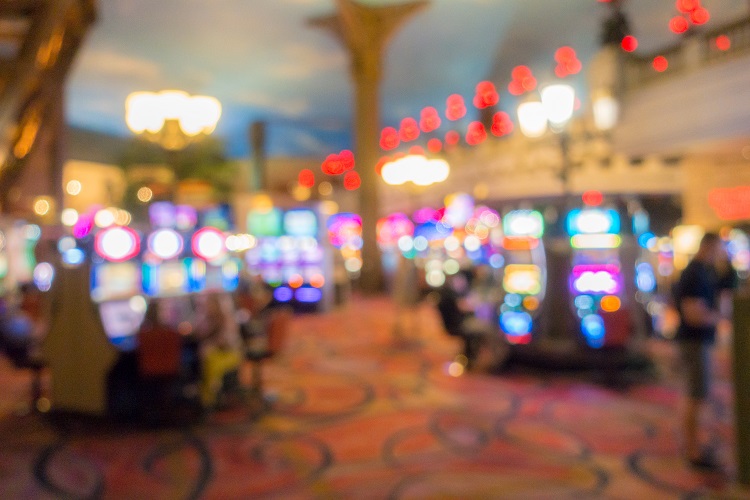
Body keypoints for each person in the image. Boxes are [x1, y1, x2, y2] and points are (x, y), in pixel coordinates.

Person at [674, 232, 728, 469]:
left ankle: (696, 445)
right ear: (708, 246)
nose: (720, 254)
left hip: (699, 342)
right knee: (695, 396)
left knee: (699, 395)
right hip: (694, 341)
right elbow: (693, 315)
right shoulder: (694, 274)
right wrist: (720, 317)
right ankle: (693, 451)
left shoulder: (705, 272)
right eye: (718, 248)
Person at [195, 293, 243, 408]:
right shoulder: (208, 319)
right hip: (215, 354)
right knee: (203, 357)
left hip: (229, 354)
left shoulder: (226, 319)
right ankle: (204, 395)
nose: (207, 306)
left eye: (210, 304)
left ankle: (209, 398)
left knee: (209, 359)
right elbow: (200, 335)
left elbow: (227, 344)